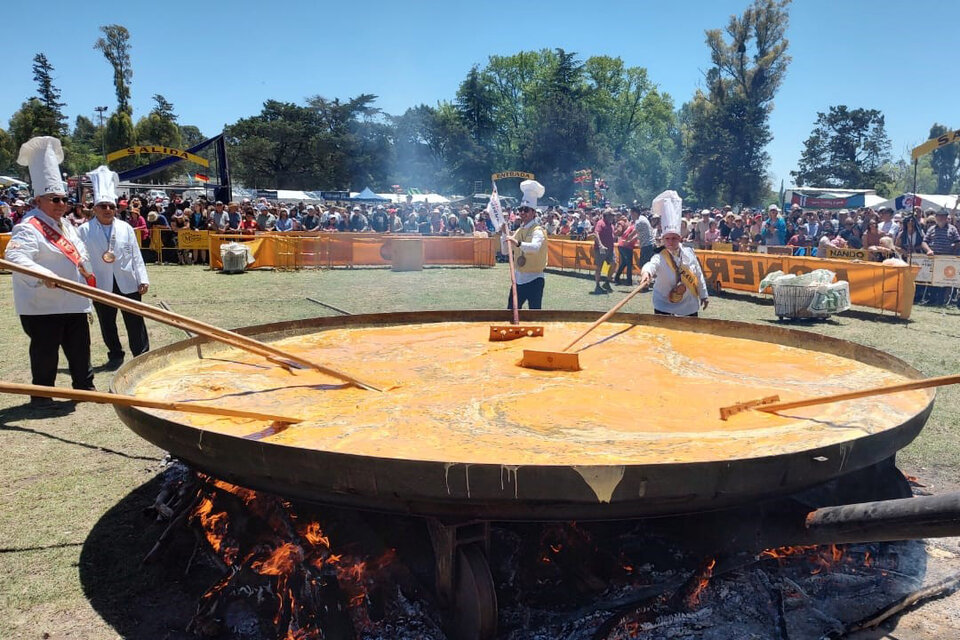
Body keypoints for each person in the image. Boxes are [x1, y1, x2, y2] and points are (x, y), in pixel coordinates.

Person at [5, 136, 95, 407]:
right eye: (54, 199)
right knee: (45, 353)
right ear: (38, 200)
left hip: (75, 301)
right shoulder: (28, 226)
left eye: (63, 199)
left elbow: (81, 252)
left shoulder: (67, 225)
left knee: (80, 349)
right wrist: (44, 275)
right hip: (44, 305)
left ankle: (85, 388)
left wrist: (86, 268)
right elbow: (15, 257)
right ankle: (42, 396)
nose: (60, 203)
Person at [77, 166, 150, 369]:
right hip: (101, 283)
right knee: (107, 323)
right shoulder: (84, 230)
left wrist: (143, 279)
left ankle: (141, 353)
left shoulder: (125, 227)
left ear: (116, 208)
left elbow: (136, 255)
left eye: (111, 206)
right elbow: (81, 259)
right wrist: (86, 283)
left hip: (128, 281)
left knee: (135, 320)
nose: (108, 209)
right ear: (95, 208)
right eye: (103, 206)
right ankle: (115, 355)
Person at [638, 190, 709, 317]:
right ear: (663, 239)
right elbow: (651, 265)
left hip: (688, 305)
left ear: (680, 238)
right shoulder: (659, 256)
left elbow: (698, 274)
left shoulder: (689, 253)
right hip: (663, 304)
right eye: (667, 238)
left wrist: (703, 295)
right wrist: (646, 273)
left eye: (674, 238)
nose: (670, 242)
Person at [502, 180, 547, 310]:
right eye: (520, 210)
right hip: (518, 279)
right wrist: (504, 234)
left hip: (534, 279)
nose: (522, 213)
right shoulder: (519, 230)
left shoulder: (538, 230)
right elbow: (506, 251)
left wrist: (518, 243)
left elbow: (535, 248)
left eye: (526, 210)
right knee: (511, 311)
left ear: (533, 212)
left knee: (534, 313)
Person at [592, 208, 617, 293]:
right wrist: (600, 245)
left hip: (610, 248)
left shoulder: (611, 225)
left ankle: (607, 282)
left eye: (613, 215)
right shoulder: (600, 223)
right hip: (601, 249)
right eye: (611, 215)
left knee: (614, 263)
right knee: (599, 267)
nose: (613, 217)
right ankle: (597, 285)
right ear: (606, 216)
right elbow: (596, 233)